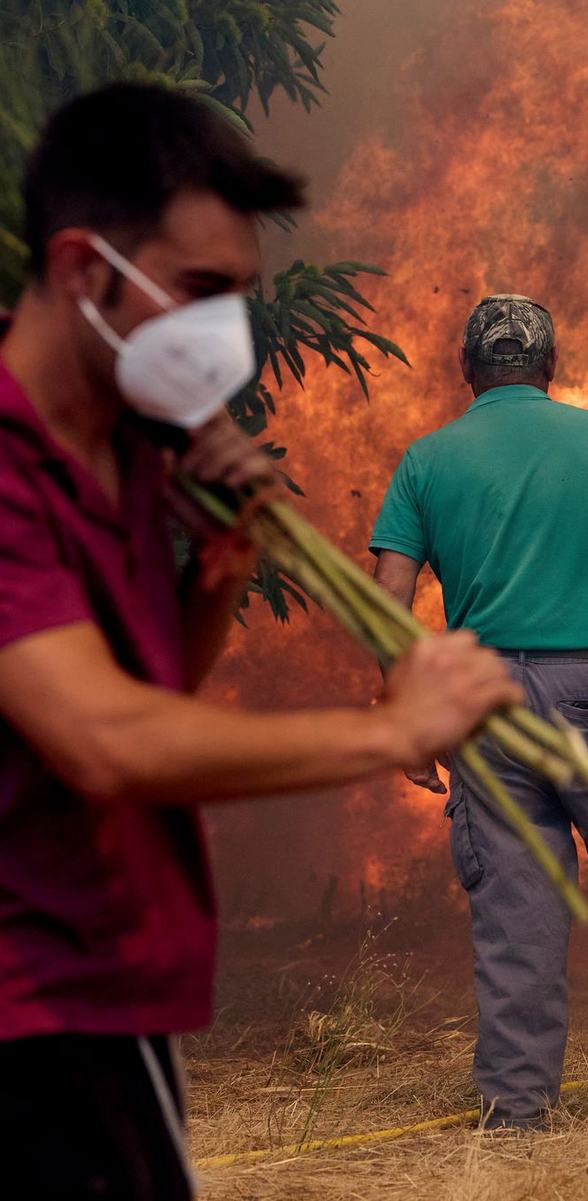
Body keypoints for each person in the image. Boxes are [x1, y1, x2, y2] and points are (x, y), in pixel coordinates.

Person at [0, 84, 521, 1199]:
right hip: (24, 1002)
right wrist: (392, 731)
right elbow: (101, 738)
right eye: (199, 292)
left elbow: (154, 693)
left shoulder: (127, 457)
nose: (221, 334)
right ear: (86, 271)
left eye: (239, 297)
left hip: (109, 984)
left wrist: (221, 567)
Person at [371, 294, 588, 1130]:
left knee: (518, 906)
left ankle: (516, 1113)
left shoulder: (428, 459)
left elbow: (388, 598)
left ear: (467, 372)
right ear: (550, 368)